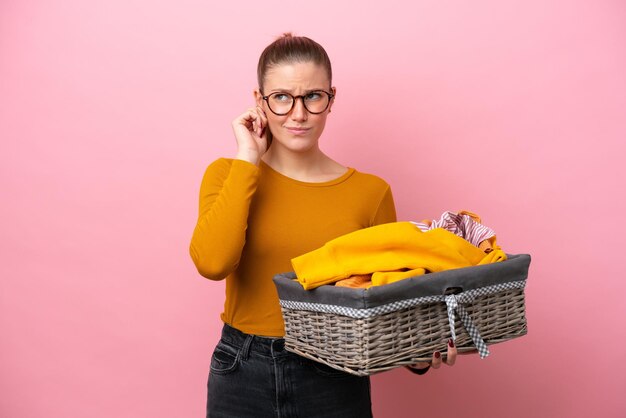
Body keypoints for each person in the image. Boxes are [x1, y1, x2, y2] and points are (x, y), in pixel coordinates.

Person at [189, 33, 457, 418]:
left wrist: (417, 353)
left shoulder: (370, 192)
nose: (298, 114)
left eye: (312, 97)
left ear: (331, 98)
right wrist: (248, 158)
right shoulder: (228, 175)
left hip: (335, 373)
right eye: (281, 97)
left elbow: (386, 298)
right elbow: (213, 263)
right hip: (241, 370)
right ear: (258, 100)